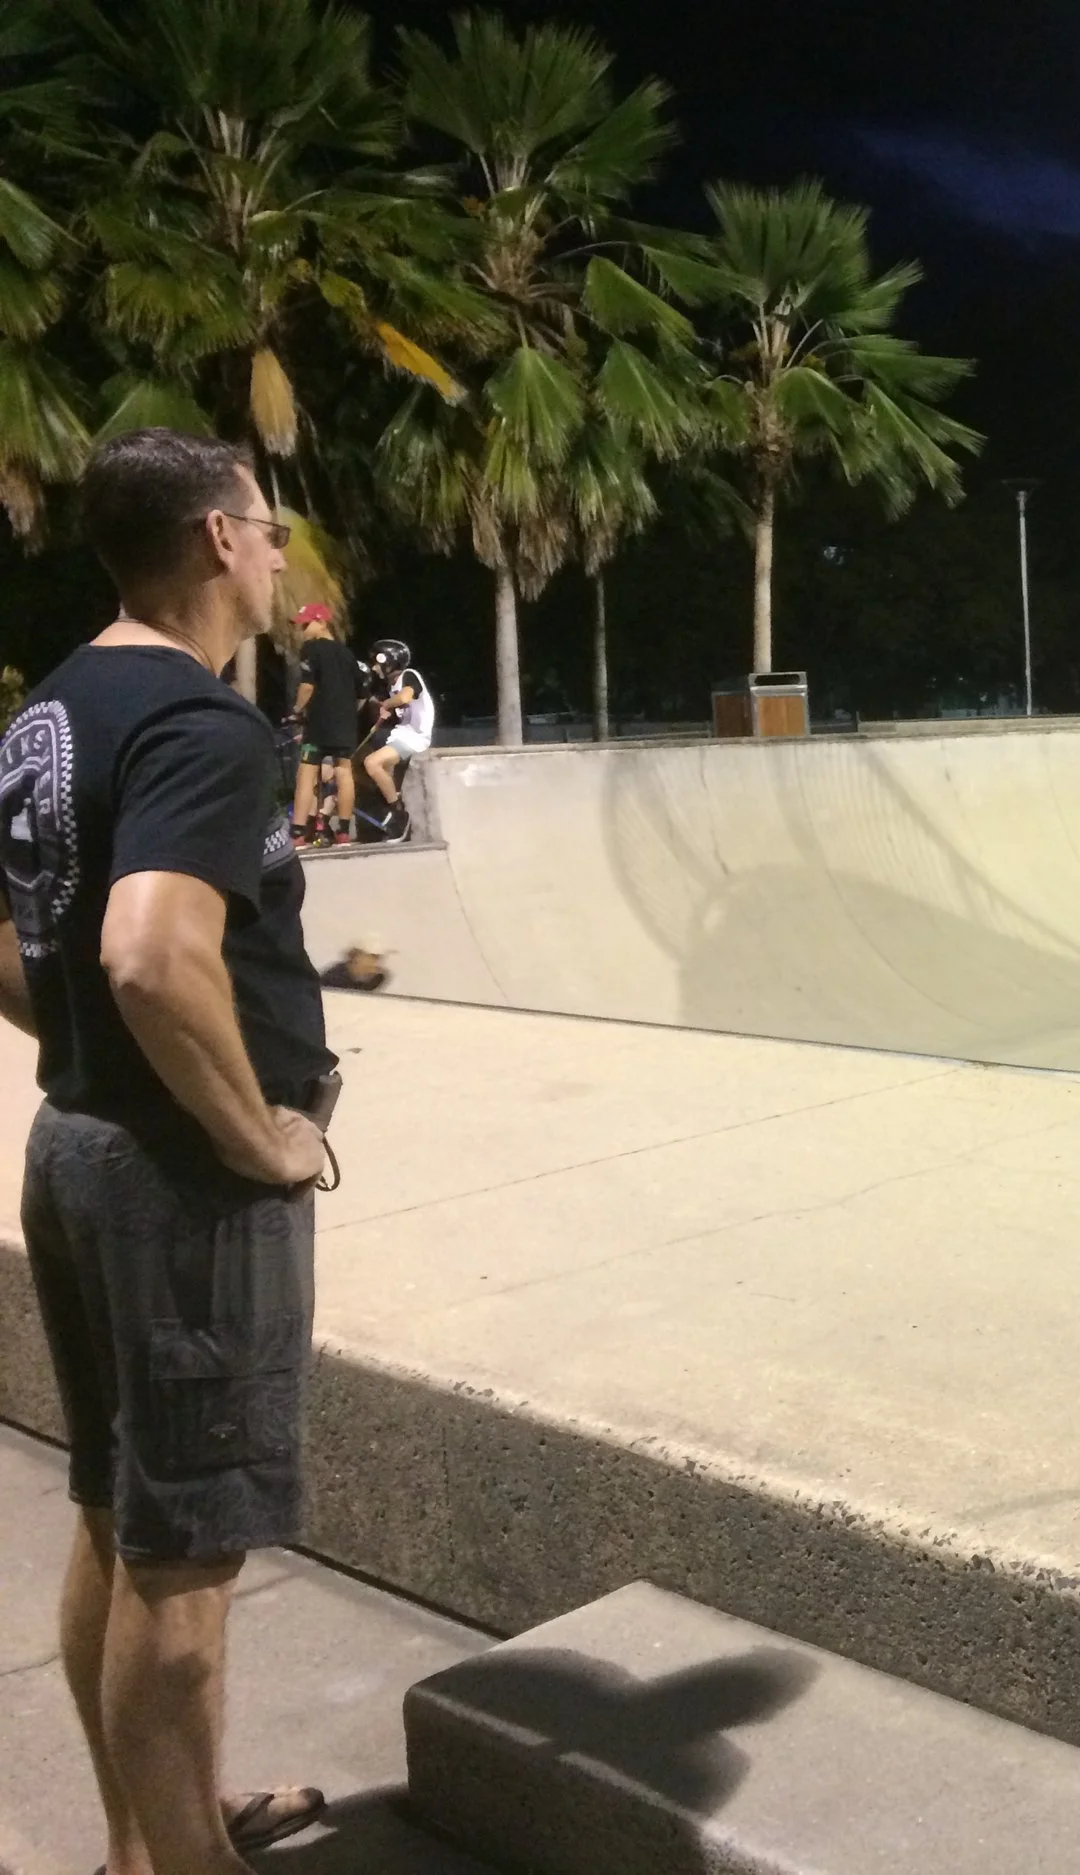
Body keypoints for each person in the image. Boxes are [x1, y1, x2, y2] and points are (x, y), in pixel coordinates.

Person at [0, 428, 337, 1873]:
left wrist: (81, 1042)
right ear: (213, 536)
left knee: (115, 1514)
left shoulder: (50, 712)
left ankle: (150, 1838)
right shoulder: (206, 724)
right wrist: (255, 1131)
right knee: (185, 1577)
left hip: (74, 1145)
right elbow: (147, 952)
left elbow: (35, 944)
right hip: (178, 1183)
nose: (276, 555)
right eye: (265, 529)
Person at [288, 602, 358, 846]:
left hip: (318, 724)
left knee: (306, 774)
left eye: (307, 625)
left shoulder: (311, 648)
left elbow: (307, 685)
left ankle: (297, 833)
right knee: (343, 772)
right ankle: (343, 831)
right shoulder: (347, 654)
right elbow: (361, 691)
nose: (303, 631)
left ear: (322, 623)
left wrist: (296, 711)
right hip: (344, 725)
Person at [358, 639, 433, 842]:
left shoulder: (409, 676)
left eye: (377, 663)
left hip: (415, 737)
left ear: (388, 662)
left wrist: (387, 705)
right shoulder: (391, 686)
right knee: (362, 761)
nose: (374, 667)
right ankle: (384, 803)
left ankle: (399, 815)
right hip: (401, 733)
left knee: (372, 763)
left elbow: (405, 698)